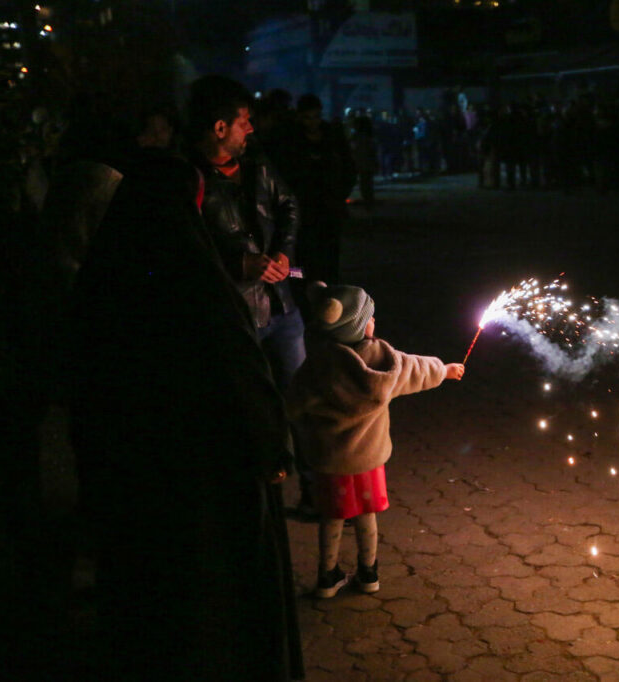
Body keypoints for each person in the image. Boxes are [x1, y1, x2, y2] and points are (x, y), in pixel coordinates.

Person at [69, 152, 305, 681]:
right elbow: (241, 374)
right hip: (207, 481)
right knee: (215, 605)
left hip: (130, 483)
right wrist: (272, 450)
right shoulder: (197, 284)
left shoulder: (104, 280)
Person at [186, 76, 314, 512]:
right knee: (246, 408)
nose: (251, 129)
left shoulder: (257, 166)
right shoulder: (187, 178)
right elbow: (181, 248)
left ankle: (315, 491)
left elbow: (289, 206)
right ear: (220, 128)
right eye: (244, 122)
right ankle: (259, 498)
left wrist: (282, 252)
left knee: (300, 399)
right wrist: (237, 266)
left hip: (281, 307)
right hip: (235, 316)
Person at [288, 284, 465, 597]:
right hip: (369, 461)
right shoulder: (385, 362)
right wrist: (446, 370)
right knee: (365, 517)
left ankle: (327, 577)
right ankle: (369, 573)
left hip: (331, 463)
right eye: (369, 318)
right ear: (359, 327)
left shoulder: (317, 365)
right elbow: (417, 368)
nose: (374, 322)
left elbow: (292, 403)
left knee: (332, 517)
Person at [286, 94, 356, 284]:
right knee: (302, 251)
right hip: (304, 205)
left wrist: (341, 192)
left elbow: (348, 166)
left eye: (316, 117)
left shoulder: (332, 136)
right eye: (308, 117)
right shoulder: (292, 139)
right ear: (300, 117)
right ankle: (300, 284)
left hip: (329, 204)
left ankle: (329, 284)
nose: (313, 122)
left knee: (330, 249)